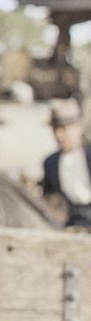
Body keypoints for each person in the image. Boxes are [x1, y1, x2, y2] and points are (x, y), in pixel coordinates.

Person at [41, 99, 91, 230]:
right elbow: (50, 199)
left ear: (78, 128)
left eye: (64, 129)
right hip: (72, 223)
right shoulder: (51, 163)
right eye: (55, 130)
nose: (59, 136)